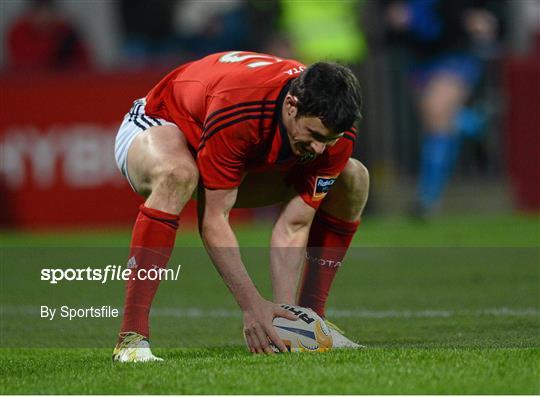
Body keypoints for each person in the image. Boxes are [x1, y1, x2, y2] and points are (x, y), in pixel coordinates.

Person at [112, 51, 369, 362]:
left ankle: (312, 321)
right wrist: (252, 306)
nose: (319, 148)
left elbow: (295, 224)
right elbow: (214, 219)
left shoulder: (334, 134)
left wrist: (286, 322)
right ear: (292, 106)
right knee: (178, 175)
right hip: (162, 121)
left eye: (328, 140)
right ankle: (131, 338)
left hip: (236, 149)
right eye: (314, 135)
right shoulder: (240, 107)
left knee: (354, 177)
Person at [383, 0, 503, 218]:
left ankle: (427, 199)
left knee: (436, 113)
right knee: (438, 122)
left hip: (457, 50)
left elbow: (491, 11)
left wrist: (485, 17)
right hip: (418, 57)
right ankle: (475, 123)